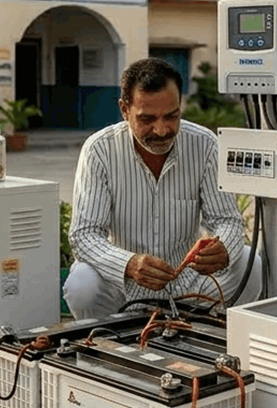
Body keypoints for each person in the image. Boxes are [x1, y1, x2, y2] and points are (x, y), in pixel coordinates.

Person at [63, 57, 262, 320]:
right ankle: (105, 337)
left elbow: (227, 220)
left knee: (250, 264)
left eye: (171, 116)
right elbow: (84, 234)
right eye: (147, 119)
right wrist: (129, 264)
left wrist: (223, 248)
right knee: (81, 285)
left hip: (190, 283)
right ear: (125, 110)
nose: (160, 130)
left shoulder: (205, 144)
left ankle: (213, 331)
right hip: (123, 287)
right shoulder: (99, 150)